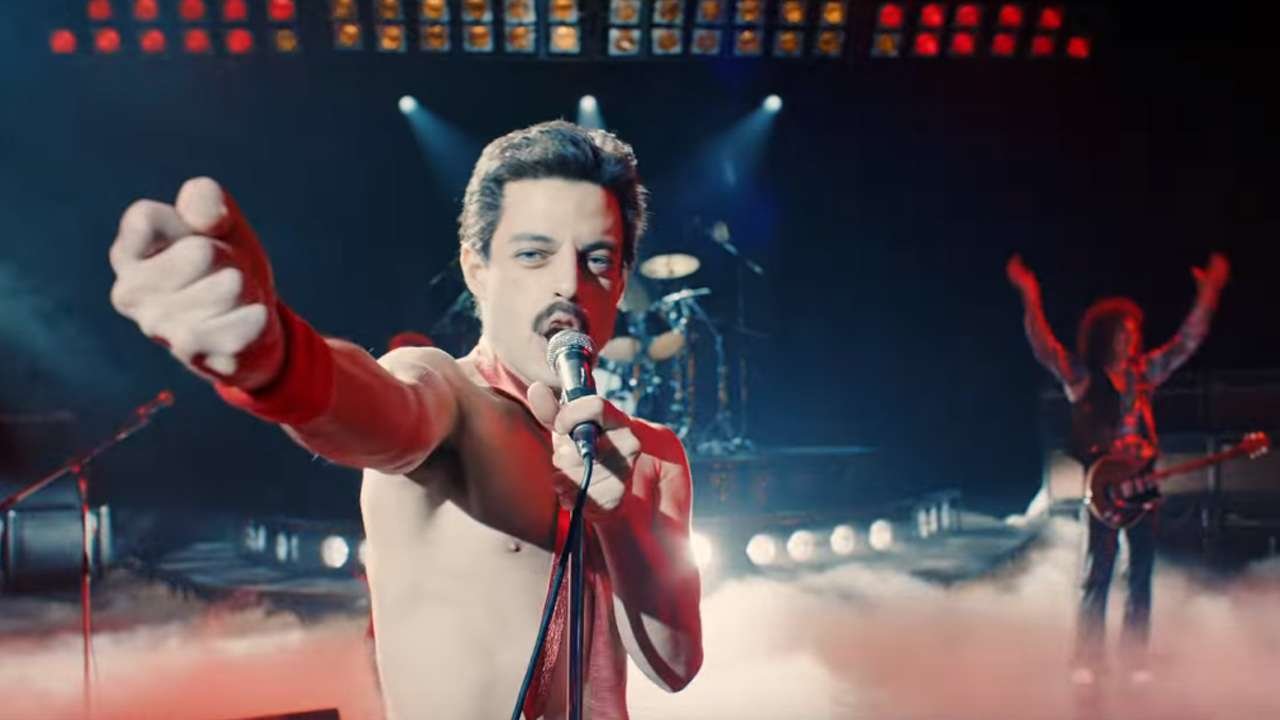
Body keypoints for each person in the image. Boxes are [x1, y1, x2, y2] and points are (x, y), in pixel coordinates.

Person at [108, 121, 704, 719]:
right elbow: (385, 411)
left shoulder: (653, 453)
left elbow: (674, 666)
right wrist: (281, 361)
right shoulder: (447, 392)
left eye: (597, 259)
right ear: (477, 269)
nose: (567, 284)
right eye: (532, 254)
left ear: (620, 282)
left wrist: (620, 523)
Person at [1007, 252, 1229, 686]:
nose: (1130, 340)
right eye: (1122, 333)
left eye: (1133, 333)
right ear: (1104, 335)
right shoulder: (1083, 377)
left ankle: (1135, 659)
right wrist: (1030, 297)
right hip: (1103, 487)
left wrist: (1209, 294)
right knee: (1098, 573)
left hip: (1142, 481)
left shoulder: (1142, 373)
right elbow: (1044, 348)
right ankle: (1087, 660)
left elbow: (1185, 343)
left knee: (1140, 573)